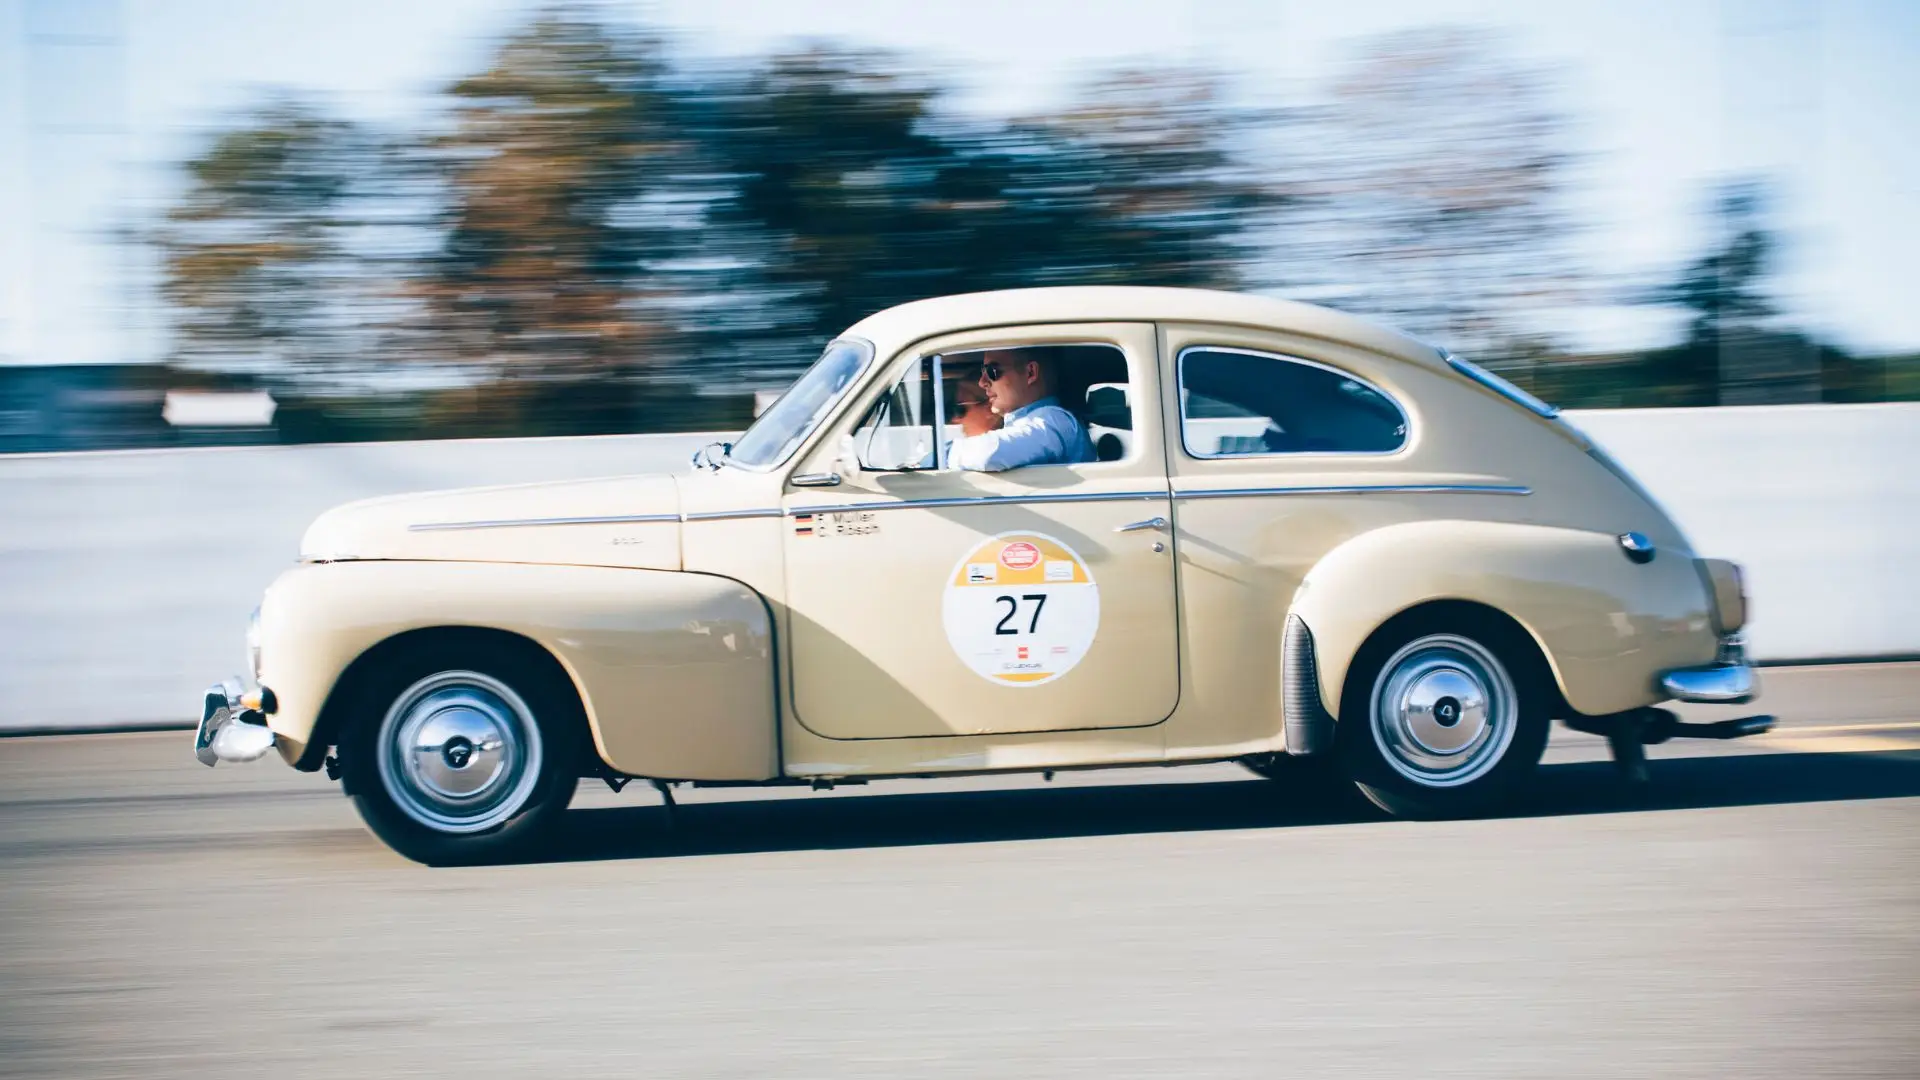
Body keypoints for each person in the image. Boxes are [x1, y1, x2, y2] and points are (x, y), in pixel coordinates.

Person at [950, 348, 1096, 471]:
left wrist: (939, 456)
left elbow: (988, 453)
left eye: (992, 371)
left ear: (1030, 373)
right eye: (983, 371)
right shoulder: (1033, 423)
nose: (982, 382)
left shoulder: (1054, 420)